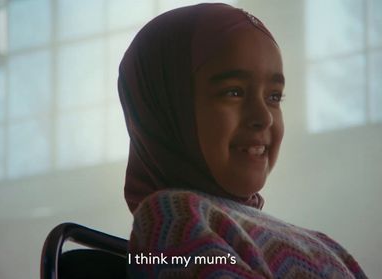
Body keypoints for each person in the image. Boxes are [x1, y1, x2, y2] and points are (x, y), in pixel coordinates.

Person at [117, 3, 367, 278]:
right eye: (233, 92)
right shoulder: (173, 218)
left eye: (274, 97)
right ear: (167, 107)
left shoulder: (324, 244)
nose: (264, 117)